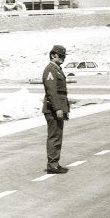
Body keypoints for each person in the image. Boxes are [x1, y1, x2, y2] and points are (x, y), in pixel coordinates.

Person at [42, 45, 70, 174]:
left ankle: (55, 163)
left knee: (58, 136)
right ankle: (52, 164)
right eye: (61, 56)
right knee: (54, 136)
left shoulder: (57, 69)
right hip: (53, 109)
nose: (63, 58)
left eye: (64, 56)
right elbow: (51, 91)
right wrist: (58, 108)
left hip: (58, 108)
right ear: (53, 55)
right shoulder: (50, 70)